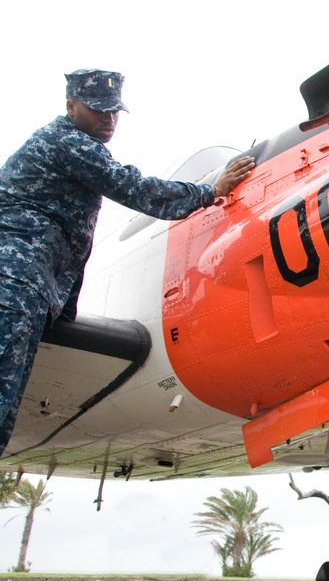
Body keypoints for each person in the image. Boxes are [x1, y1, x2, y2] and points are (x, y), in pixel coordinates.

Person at [0, 69, 254, 455]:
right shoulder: (68, 144)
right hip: (13, 284)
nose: (109, 119)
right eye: (99, 110)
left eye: (115, 111)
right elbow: (132, 187)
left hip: (31, 285)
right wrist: (210, 192)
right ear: (71, 106)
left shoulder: (71, 143)